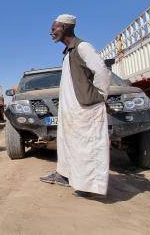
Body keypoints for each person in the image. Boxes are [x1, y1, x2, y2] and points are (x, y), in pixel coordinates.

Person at [40, 14, 112, 198]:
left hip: (86, 108)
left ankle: (90, 187)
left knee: (88, 147)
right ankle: (64, 176)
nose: (51, 32)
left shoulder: (83, 47)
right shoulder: (68, 54)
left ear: (65, 27)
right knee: (67, 145)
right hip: (72, 111)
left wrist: (100, 96)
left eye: (54, 28)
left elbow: (102, 71)